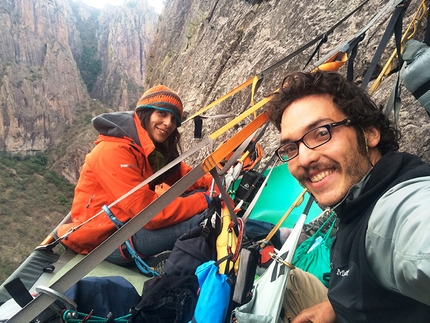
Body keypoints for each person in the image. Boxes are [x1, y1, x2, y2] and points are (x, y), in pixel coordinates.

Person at [266, 70, 430, 322]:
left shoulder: (395, 211)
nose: (304, 158)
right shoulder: (359, 198)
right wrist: (333, 309)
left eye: (321, 132)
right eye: (291, 147)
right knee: (281, 278)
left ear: (369, 133)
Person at [57, 85, 213, 268]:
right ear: (146, 113)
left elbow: (180, 175)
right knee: (205, 219)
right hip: (104, 239)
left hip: (127, 223)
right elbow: (147, 212)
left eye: (173, 120)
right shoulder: (113, 151)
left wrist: (215, 180)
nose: (168, 123)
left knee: (205, 195)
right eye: (162, 114)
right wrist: (207, 198)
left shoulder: (146, 148)